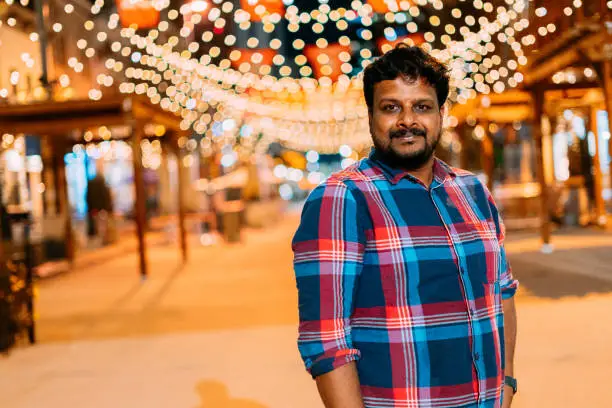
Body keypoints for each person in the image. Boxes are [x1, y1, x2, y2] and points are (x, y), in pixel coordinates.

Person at [292, 45, 518, 408]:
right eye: (391, 107)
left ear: (441, 113)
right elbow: (326, 342)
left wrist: (506, 384)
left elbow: (502, 294)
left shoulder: (473, 192)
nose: (407, 121)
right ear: (370, 115)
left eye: (422, 107)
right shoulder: (342, 199)